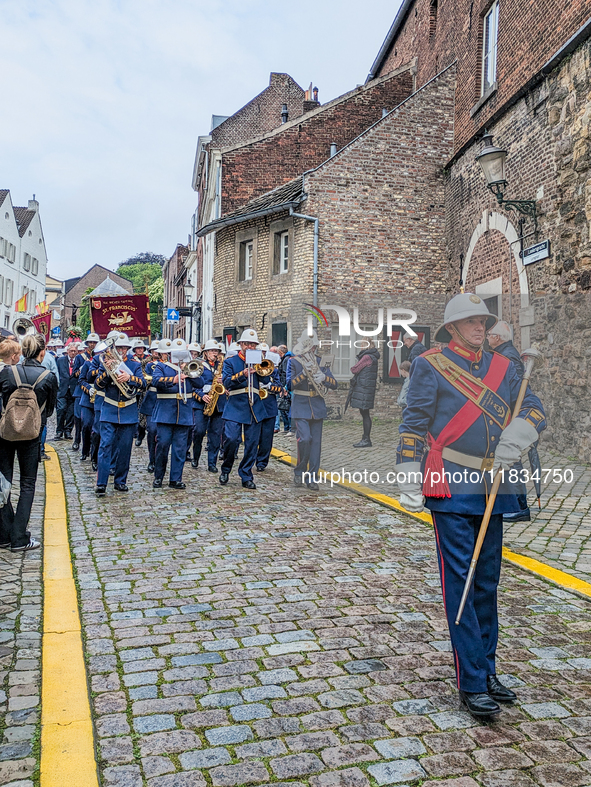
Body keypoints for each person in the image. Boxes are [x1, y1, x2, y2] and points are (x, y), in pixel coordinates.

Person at [396, 293, 546, 718]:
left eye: (483, 321)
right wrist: (409, 472)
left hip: (493, 486)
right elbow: (413, 422)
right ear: (454, 328)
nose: (481, 327)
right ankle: (471, 682)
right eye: (472, 321)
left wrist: (519, 432)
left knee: (487, 585)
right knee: (461, 584)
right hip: (451, 488)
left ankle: (488, 670)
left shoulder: (506, 367)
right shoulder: (430, 364)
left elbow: (534, 409)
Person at [0, 334, 58, 551]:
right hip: (32, 436)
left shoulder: (7, 372)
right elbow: (50, 410)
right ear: (41, 352)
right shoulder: (48, 376)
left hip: (5, 434)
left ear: (22, 351)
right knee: (27, 485)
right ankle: (19, 538)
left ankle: (4, 534)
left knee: (4, 482)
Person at [487, 321, 530, 522]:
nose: (487, 338)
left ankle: (519, 505)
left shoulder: (507, 356)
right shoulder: (504, 353)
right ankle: (513, 502)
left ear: (497, 338)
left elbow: (514, 390)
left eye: (489, 335)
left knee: (511, 459)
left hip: (508, 415)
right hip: (503, 415)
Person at [94, 336, 146, 495]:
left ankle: (120, 481)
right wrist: (109, 372)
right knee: (105, 446)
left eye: (124, 348)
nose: (121, 350)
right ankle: (101, 483)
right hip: (109, 409)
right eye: (119, 347)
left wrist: (129, 378)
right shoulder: (105, 363)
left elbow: (143, 384)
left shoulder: (135, 365)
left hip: (128, 411)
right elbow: (97, 385)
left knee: (125, 449)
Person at [288, 330, 337, 490]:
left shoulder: (321, 361)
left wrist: (324, 378)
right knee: (305, 439)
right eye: (309, 347)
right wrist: (303, 374)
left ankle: (312, 478)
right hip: (300, 406)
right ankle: (299, 471)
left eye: (313, 347)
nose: (311, 350)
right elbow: (289, 385)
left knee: (316, 445)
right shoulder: (294, 362)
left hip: (317, 405)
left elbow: (334, 383)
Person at [220, 329, 268, 489]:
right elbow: (226, 382)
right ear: (240, 344)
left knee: (252, 443)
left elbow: (266, 378)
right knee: (232, 439)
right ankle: (226, 468)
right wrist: (243, 374)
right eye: (247, 344)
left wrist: (260, 366)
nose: (249, 347)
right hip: (235, 404)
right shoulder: (230, 362)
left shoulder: (258, 361)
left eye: (253, 344)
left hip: (254, 406)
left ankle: (246, 474)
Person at [152, 338, 201, 489]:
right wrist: (173, 379)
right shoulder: (161, 366)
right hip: (166, 413)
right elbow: (156, 381)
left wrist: (190, 373)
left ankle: (175, 478)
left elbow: (200, 384)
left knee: (180, 448)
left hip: (184, 413)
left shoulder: (188, 368)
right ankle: (159, 476)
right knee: (163, 446)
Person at [191, 339, 225, 472]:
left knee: (216, 434)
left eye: (216, 351)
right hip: (201, 403)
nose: (214, 353)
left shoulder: (222, 365)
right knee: (198, 431)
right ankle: (196, 456)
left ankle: (212, 463)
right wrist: (201, 395)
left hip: (218, 403)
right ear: (205, 352)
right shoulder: (198, 365)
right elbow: (192, 384)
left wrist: (225, 381)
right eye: (212, 351)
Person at [255, 344, 284, 471]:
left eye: (263, 352)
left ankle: (262, 462)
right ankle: (251, 458)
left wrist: (269, 386)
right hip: (255, 406)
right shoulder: (253, 368)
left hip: (269, 407)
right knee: (253, 436)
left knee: (267, 437)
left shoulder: (274, 371)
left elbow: (279, 388)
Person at [348, 341, 380, 448]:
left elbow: (355, 369)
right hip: (368, 389)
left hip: (364, 389)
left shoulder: (366, 357)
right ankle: (366, 438)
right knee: (365, 414)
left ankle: (366, 439)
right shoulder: (373, 356)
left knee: (365, 414)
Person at [139, 346, 159, 472]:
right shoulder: (148, 364)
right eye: (155, 350)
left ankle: (160, 459)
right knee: (152, 430)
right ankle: (152, 460)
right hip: (152, 398)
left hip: (167, 400)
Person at [55, 343, 79, 439]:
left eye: (74, 351)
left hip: (73, 390)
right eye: (71, 351)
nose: (73, 353)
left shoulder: (78, 361)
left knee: (71, 412)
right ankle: (59, 430)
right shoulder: (60, 360)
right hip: (62, 389)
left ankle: (68, 430)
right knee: (61, 409)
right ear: (67, 351)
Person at [275, 345, 292, 435]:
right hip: (281, 385)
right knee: (282, 407)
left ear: (280, 352)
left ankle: (289, 427)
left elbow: (286, 373)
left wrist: (285, 387)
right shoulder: (284, 359)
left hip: (284, 386)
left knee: (286, 407)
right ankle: (286, 427)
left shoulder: (286, 360)